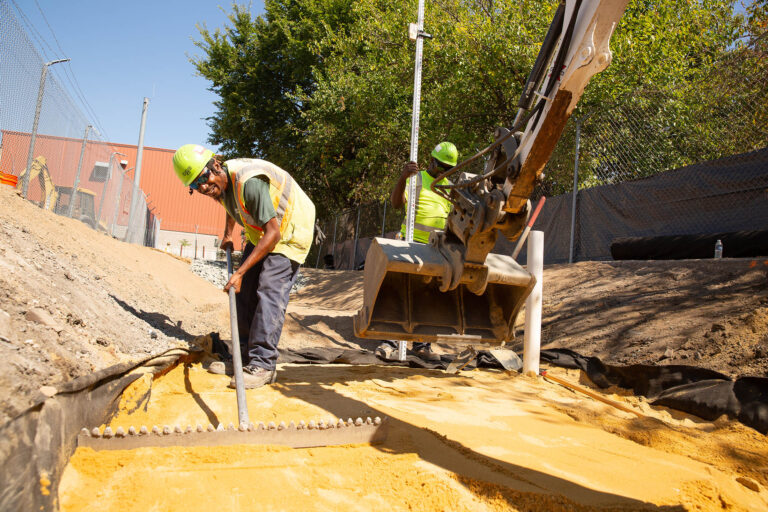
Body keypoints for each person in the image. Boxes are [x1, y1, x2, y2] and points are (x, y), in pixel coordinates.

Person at [172, 144, 316, 389]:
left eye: (204, 178)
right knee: (244, 292)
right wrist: (228, 233)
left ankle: (263, 365)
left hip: (289, 229)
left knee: (269, 291)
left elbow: (273, 233)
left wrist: (239, 272)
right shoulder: (223, 184)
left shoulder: (250, 183)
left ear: (216, 164)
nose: (204, 187)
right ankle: (242, 359)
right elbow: (233, 204)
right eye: (195, 186)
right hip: (262, 231)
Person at [375, 141, 458, 362]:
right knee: (400, 293)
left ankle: (422, 344)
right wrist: (403, 178)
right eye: (441, 166)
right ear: (431, 160)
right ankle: (390, 342)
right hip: (410, 243)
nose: (443, 171)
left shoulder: (449, 187)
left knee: (427, 298)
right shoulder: (417, 178)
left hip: (434, 249)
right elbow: (395, 203)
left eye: (448, 168)